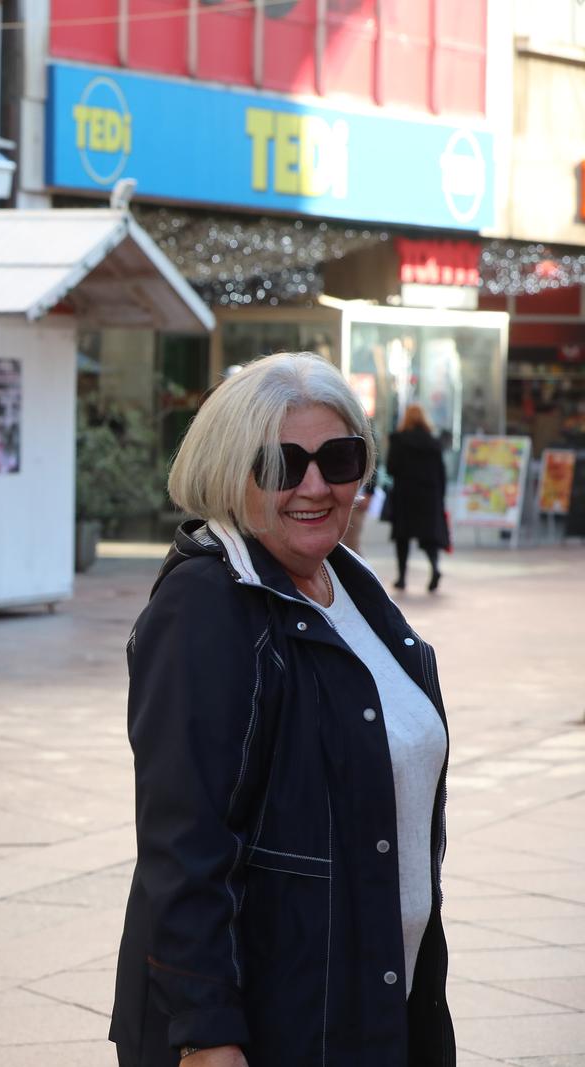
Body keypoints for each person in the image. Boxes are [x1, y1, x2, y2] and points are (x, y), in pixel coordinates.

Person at [109, 353, 453, 1066]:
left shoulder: (351, 586)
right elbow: (185, 844)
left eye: (339, 457)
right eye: (281, 464)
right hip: (276, 1023)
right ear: (229, 470)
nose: (315, 485)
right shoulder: (207, 605)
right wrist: (207, 1033)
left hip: (370, 1002)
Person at [386, 404, 450, 592]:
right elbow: (441, 472)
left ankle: (402, 578)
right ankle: (435, 568)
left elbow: (391, 468)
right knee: (430, 536)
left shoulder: (399, 440)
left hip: (405, 494)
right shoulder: (433, 442)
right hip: (429, 495)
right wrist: (441, 496)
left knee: (402, 538)